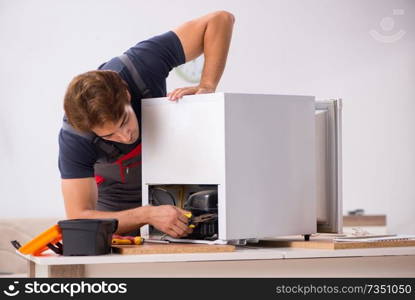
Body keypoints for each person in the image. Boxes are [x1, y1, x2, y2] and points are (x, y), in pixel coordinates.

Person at [59, 11, 235, 237]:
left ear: (125, 92)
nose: (125, 137)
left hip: (170, 184)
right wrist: (146, 215)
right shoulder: (75, 137)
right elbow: (78, 217)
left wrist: (207, 86)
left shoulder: (140, 68)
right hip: (116, 205)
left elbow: (220, 19)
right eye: (109, 135)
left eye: (124, 121)